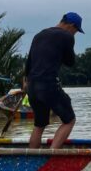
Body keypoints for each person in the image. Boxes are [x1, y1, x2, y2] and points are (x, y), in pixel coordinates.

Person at [23, 12, 84, 149]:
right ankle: (52, 155)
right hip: (48, 84)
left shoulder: (39, 35)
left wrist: (26, 81)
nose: (75, 34)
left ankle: (32, 159)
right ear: (71, 26)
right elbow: (70, 62)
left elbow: (29, 61)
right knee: (69, 120)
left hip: (31, 84)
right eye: (76, 31)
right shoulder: (67, 36)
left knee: (39, 125)